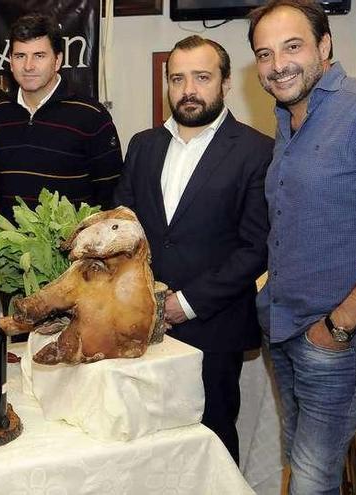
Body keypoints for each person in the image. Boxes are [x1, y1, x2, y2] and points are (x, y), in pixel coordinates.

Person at [249, 1, 356, 492]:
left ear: (324, 46)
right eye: (264, 55)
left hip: (339, 341)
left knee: (311, 479)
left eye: (292, 47)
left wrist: (338, 327)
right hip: (284, 332)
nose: (278, 64)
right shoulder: (288, 121)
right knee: (299, 467)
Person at [114, 35, 271, 463]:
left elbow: (256, 248)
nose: (189, 90)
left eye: (202, 77)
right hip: (140, 326)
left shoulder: (257, 151)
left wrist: (186, 303)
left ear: (225, 84)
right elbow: (123, 228)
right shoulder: (143, 145)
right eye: (178, 78)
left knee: (211, 445)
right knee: (145, 444)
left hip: (213, 328)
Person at [0, 13, 123, 222]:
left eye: (39, 55)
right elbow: (0, 185)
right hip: (12, 250)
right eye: (20, 56)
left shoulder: (92, 116)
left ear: (57, 60)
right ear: (10, 61)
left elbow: (111, 194)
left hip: (74, 250)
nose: (28, 66)